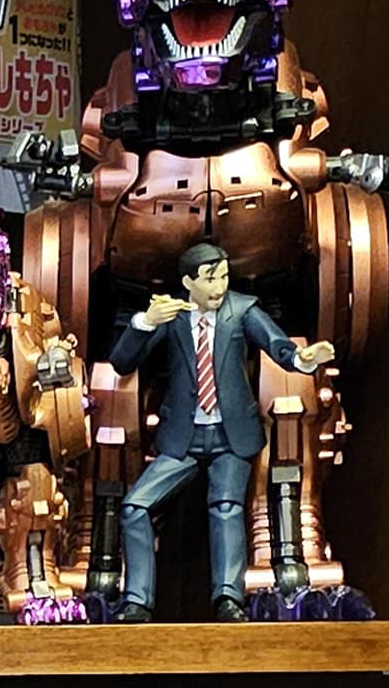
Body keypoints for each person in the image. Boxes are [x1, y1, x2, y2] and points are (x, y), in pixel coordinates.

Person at [101, 242, 327, 617]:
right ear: (188, 282)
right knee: (134, 507)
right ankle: (137, 599)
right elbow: (123, 362)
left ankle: (228, 598)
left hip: (231, 434)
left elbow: (278, 346)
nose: (219, 286)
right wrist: (145, 322)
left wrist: (302, 360)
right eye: (210, 279)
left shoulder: (242, 310)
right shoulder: (172, 314)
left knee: (225, 508)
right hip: (183, 436)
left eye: (223, 277)